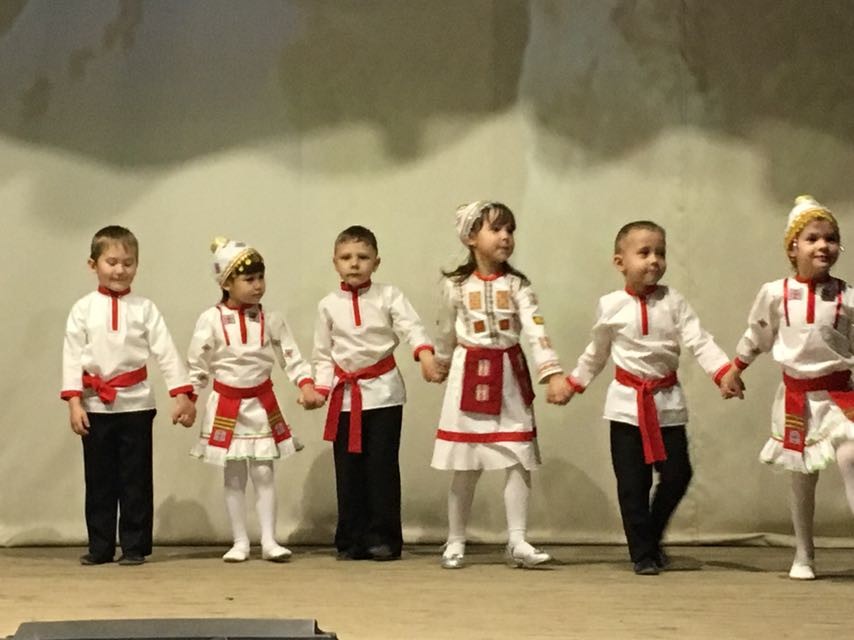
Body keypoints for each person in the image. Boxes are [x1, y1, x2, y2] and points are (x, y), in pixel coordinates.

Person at [565, 220, 734, 575]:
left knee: (677, 474)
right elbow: (596, 353)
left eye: (660, 252)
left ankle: (652, 536)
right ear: (620, 262)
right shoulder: (610, 305)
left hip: (666, 404)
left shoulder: (673, 301)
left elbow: (699, 340)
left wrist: (723, 372)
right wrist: (573, 383)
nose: (654, 260)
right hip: (626, 407)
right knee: (633, 484)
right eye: (644, 253)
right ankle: (642, 554)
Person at [430, 201, 571, 570]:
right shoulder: (456, 286)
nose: (506, 237)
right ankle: (455, 539)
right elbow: (445, 329)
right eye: (496, 229)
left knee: (517, 458)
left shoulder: (518, 285)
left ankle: (517, 539)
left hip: (508, 376)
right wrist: (440, 362)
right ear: (471, 237)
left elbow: (536, 329)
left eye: (510, 230)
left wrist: (552, 373)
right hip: (468, 376)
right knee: (465, 463)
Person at [720, 195, 854, 580]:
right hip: (796, 399)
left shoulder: (847, 295)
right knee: (802, 479)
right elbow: (758, 335)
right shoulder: (775, 294)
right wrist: (734, 369)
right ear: (793, 248)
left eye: (830, 238)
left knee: (850, 456)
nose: (823, 246)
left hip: (840, 396)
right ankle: (803, 554)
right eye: (812, 238)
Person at [61, 225, 195, 566]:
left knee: (135, 479)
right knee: (99, 481)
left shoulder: (144, 308)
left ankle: (134, 546)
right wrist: (75, 403)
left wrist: (181, 395)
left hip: (136, 404)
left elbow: (165, 351)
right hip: (95, 405)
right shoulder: (83, 309)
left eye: (128, 262)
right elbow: (72, 356)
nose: (120, 270)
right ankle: (100, 545)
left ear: (137, 264)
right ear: (93, 265)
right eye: (112, 262)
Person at [187, 237, 323, 562]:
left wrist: (306, 385)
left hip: (261, 404)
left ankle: (269, 540)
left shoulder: (271, 319)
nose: (258, 285)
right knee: (234, 474)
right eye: (249, 279)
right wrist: (187, 398)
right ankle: (240, 542)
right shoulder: (210, 320)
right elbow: (197, 363)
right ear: (226, 283)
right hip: (226, 405)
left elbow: (291, 356)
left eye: (261, 277)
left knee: (264, 472)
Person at [312, 225, 437, 561]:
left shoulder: (389, 296)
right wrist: (320, 389)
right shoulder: (328, 305)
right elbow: (323, 354)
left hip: (384, 394)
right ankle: (351, 538)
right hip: (344, 396)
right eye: (346, 257)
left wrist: (425, 355)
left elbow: (412, 327)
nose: (354, 263)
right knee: (348, 469)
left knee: (381, 468)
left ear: (376, 262)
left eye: (363, 257)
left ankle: (384, 538)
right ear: (335, 262)